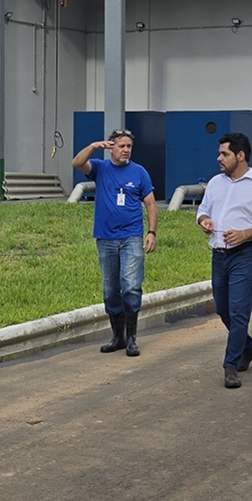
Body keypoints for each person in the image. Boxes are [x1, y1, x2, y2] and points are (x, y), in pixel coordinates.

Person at [197, 132, 252, 389]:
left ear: (241, 156)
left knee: (239, 312)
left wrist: (245, 233)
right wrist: (204, 221)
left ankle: (230, 366)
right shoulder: (215, 183)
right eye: (220, 153)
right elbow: (202, 210)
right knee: (223, 309)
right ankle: (248, 347)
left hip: (243, 255)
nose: (219, 158)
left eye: (225, 154)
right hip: (218, 254)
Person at [72, 127, 158, 357]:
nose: (126, 150)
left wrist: (151, 232)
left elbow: (150, 204)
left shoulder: (139, 172)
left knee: (130, 285)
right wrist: (93, 147)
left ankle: (131, 338)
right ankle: (117, 336)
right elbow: (77, 163)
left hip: (131, 236)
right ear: (111, 147)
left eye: (129, 146)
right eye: (122, 146)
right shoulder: (100, 168)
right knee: (111, 290)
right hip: (106, 238)